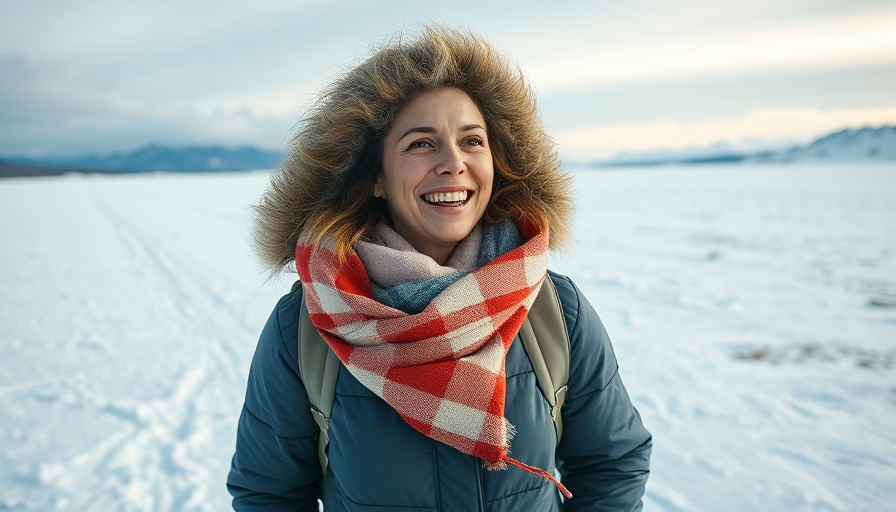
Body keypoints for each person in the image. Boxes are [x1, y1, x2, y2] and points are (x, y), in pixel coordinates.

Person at [227, 26, 652, 511]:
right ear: (376, 180)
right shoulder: (303, 327)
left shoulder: (555, 310)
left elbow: (613, 463)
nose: (453, 162)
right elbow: (269, 493)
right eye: (421, 144)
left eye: (472, 141)